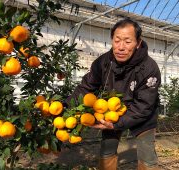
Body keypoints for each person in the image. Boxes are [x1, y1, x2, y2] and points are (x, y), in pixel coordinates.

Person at [62, 19, 160, 170]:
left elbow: (143, 106)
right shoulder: (103, 62)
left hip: (143, 117)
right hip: (111, 112)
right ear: (111, 40)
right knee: (107, 151)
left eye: (127, 42)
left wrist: (117, 124)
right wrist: (64, 106)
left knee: (147, 157)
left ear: (138, 43)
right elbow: (85, 88)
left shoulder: (149, 68)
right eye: (117, 40)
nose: (121, 47)